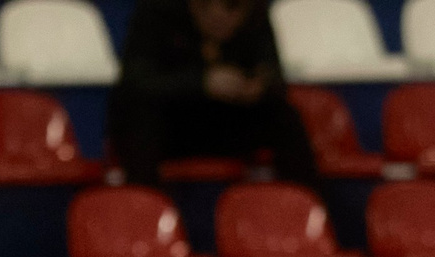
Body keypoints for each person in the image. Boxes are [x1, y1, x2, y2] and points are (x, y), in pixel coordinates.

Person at [110, 0, 318, 189]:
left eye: (231, 7)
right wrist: (202, 83)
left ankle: (306, 206)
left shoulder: (255, 16)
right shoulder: (156, 12)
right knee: (139, 117)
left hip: (226, 123)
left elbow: (274, 78)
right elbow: (134, 82)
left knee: (284, 117)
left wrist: (257, 87)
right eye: (206, 6)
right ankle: (142, 209)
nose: (218, 15)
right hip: (171, 127)